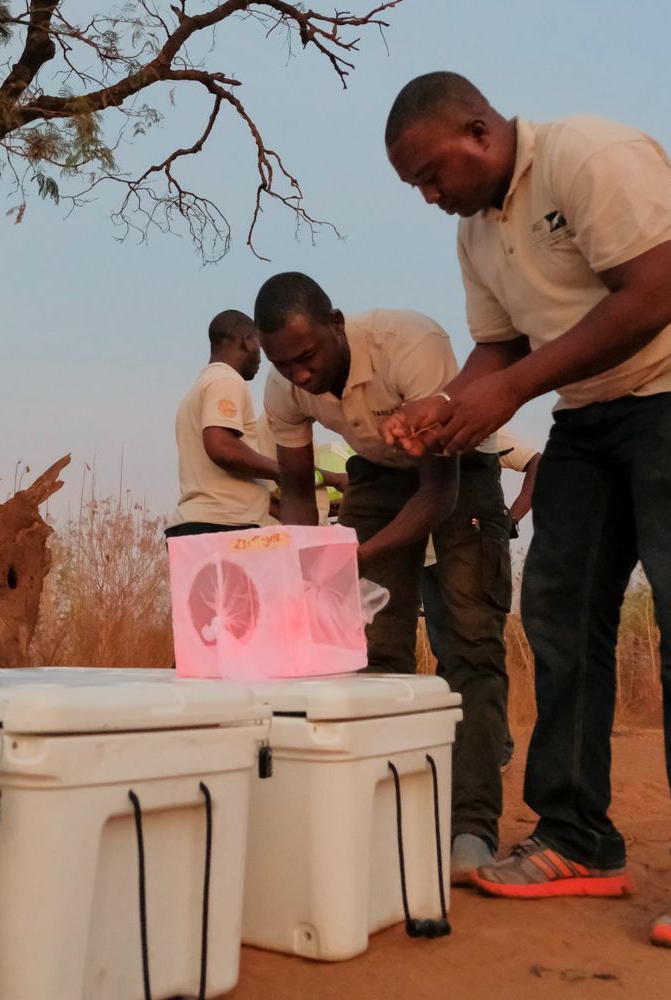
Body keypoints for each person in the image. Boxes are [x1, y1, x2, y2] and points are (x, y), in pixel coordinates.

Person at [383, 71, 671, 954]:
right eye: (416, 185)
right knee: (558, 609)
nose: (430, 195)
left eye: (432, 174)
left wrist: (512, 394)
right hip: (593, 407)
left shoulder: (589, 156)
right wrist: (444, 406)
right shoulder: (476, 230)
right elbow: (501, 344)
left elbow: (656, 293)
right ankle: (575, 837)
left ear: (480, 131)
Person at [255, 272, 511, 881]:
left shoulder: (410, 345)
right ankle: (379, 815)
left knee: (471, 645)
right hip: (374, 474)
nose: (301, 375)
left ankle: (469, 827)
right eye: (284, 364)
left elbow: (439, 494)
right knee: (366, 650)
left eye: (309, 356)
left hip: (458, 472)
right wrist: (309, 556)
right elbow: (295, 489)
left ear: (336, 324)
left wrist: (355, 558)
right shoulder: (283, 387)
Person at [422, 431, 542, 769]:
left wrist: (513, 517)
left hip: (474, 552)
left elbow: (536, 460)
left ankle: (495, 747)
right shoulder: (412, 435)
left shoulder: (472, 427)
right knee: (445, 652)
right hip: (428, 556)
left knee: (479, 649)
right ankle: (464, 743)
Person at [165, 309, 279, 538]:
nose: (260, 358)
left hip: (200, 524)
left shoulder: (199, 387)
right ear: (248, 341)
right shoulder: (226, 379)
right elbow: (221, 446)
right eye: (260, 346)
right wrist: (283, 471)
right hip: (224, 526)